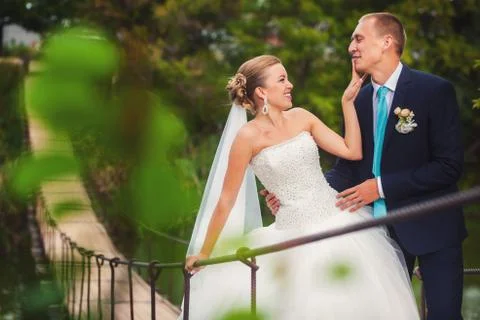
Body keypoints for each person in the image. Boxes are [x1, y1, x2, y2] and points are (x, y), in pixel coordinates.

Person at [181, 54, 419, 319]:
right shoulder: (247, 137)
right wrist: (204, 251)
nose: (289, 84)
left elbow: (351, 151)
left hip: (339, 224)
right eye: (281, 79)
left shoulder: (302, 116)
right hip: (288, 237)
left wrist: (347, 103)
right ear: (261, 92)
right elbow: (226, 200)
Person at [265, 12, 466, 320]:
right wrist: (297, 196)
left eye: (358, 39)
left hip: (433, 228)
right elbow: (347, 168)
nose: (351, 47)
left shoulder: (434, 91)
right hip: (376, 236)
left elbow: (448, 167)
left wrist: (381, 186)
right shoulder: (358, 99)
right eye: (351, 40)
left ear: (387, 42)